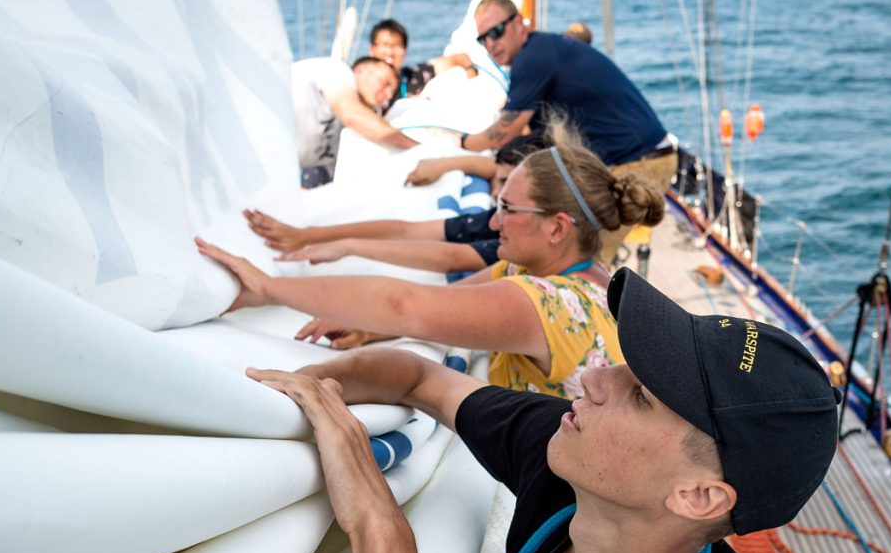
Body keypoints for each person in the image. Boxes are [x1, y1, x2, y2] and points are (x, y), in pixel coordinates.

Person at [246, 267, 840, 553]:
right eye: (623, 362)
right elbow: (421, 380)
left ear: (698, 495)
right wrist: (303, 385)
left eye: (641, 395)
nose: (594, 377)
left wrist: (377, 523)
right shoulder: (570, 465)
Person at [197, 120, 662, 396]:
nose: (495, 223)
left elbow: (406, 305)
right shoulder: (579, 276)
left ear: (557, 228)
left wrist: (268, 287)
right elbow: (446, 300)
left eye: (507, 209)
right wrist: (369, 329)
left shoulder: (551, 304)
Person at [461, 0, 678, 262]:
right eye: (484, 39)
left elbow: (505, 131)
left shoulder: (532, 58)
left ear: (518, 23)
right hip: (642, 156)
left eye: (496, 32)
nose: (491, 44)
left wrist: (461, 141)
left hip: (638, 164)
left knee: (580, 258)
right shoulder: (543, 50)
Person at [244, 135, 545, 283]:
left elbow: (450, 258)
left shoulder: (523, 240)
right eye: (497, 184)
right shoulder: (523, 213)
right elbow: (406, 230)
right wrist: (308, 235)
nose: (495, 197)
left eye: (505, 191)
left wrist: (348, 246)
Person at [292, 55, 418, 188]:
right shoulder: (337, 70)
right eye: (385, 83)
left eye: (391, 93)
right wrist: (420, 148)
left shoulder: (350, 134)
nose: (388, 94)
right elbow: (352, 115)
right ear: (360, 70)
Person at [367, 19, 474, 104]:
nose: (390, 52)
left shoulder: (415, 76)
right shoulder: (360, 83)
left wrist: (471, 77)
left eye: (396, 46)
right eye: (385, 45)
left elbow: (461, 59)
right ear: (372, 49)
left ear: (405, 51)